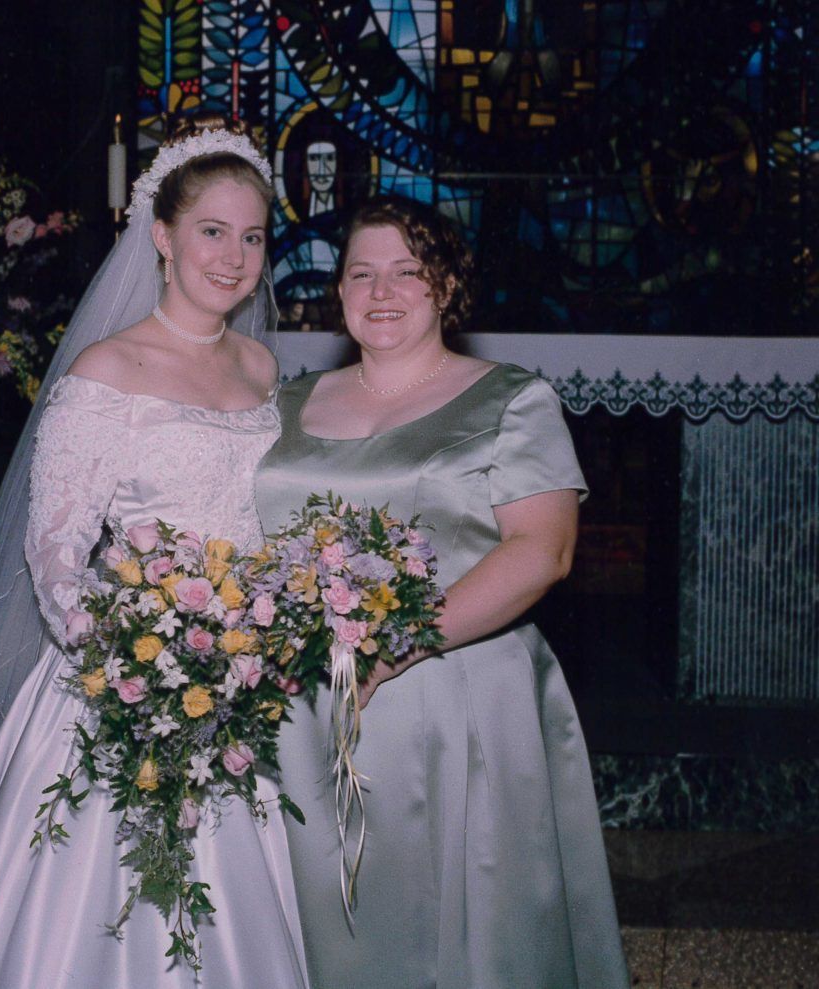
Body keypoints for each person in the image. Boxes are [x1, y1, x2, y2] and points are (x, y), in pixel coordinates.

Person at [0, 116, 308, 989]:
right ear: (161, 235)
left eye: (252, 236)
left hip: (248, 676)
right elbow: (57, 548)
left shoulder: (264, 368)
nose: (233, 257)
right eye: (211, 231)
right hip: (122, 679)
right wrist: (127, 655)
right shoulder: (105, 372)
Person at [254, 196, 630, 988]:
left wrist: (399, 645)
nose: (381, 291)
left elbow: (544, 549)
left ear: (446, 285)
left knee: (459, 923)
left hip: (455, 689)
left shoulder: (509, 399)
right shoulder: (284, 404)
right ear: (339, 291)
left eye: (407, 272)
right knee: (318, 919)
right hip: (300, 701)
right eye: (362, 273)